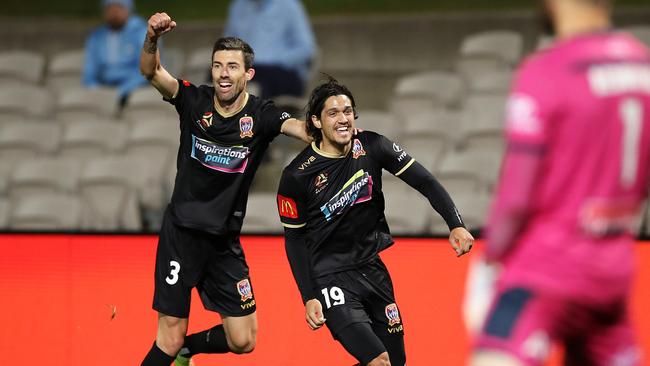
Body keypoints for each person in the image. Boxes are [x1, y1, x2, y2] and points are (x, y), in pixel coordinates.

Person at [469, 0, 650, 365]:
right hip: (611, 275)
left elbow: (516, 197)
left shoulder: (547, 69)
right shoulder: (643, 64)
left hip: (546, 271)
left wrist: (489, 264)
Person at [138, 12, 312, 366]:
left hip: (222, 243)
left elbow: (300, 130)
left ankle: (189, 350)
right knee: (168, 337)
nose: (222, 73)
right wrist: (152, 39)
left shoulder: (261, 115)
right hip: (181, 234)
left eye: (232, 66)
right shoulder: (193, 100)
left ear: (248, 74)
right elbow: (152, 72)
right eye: (218, 65)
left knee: (243, 339)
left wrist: (334, 126)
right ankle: (176, 350)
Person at [276, 78, 475, 365]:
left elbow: (426, 181)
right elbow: (294, 240)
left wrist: (454, 223)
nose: (343, 119)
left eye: (347, 111)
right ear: (316, 122)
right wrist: (308, 296)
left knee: (395, 362)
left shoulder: (372, 145)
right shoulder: (297, 176)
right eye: (333, 113)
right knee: (378, 360)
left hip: (372, 269)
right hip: (330, 277)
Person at [223, 0, 316, 100]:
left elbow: (306, 49)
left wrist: (275, 60)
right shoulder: (238, 6)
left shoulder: (289, 5)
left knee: (259, 81)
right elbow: (227, 46)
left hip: (281, 70)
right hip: (248, 69)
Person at [82, 0, 149, 106]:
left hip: (135, 90)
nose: (114, 13)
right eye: (109, 9)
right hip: (103, 91)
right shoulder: (96, 37)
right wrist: (95, 89)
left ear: (128, 10)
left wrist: (122, 91)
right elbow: (89, 73)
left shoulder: (142, 33)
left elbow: (147, 71)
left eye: (118, 8)